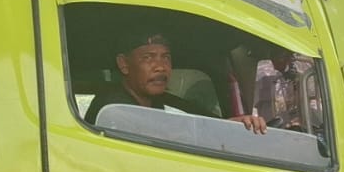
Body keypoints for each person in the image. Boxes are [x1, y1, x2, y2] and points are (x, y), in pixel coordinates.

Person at [85, 31, 266, 132]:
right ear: (124, 64)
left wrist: (233, 125)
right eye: (148, 58)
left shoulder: (160, 103)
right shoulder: (113, 108)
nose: (160, 67)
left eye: (166, 58)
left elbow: (194, 124)